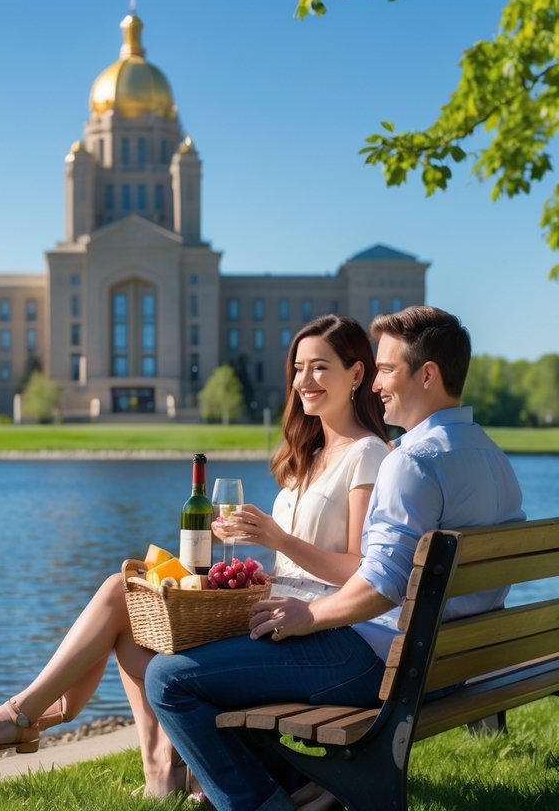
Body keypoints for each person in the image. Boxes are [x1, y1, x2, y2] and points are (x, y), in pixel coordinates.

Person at [0, 314, 391, 798]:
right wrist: (257, 569)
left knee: (147, 643)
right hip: (276, 616)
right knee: (134, 601)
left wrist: (278, 540)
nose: (305, 381)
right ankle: (151, 770)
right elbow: (301, 563)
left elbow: (362, 568)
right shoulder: (306, 455)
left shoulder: (366, 454)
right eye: (299, 368)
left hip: (320, 632)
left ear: (357, 374)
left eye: (320, 368)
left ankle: (27, 715)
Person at [145, 305, 526, 811]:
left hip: (384, 662)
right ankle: (292, 783)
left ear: (427, 375)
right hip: (453, 663)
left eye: (387, 370)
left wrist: (309, 615)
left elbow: (381, 585)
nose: (376, 384)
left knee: (168, 678)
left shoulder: (411, 462)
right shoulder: (493, 457)